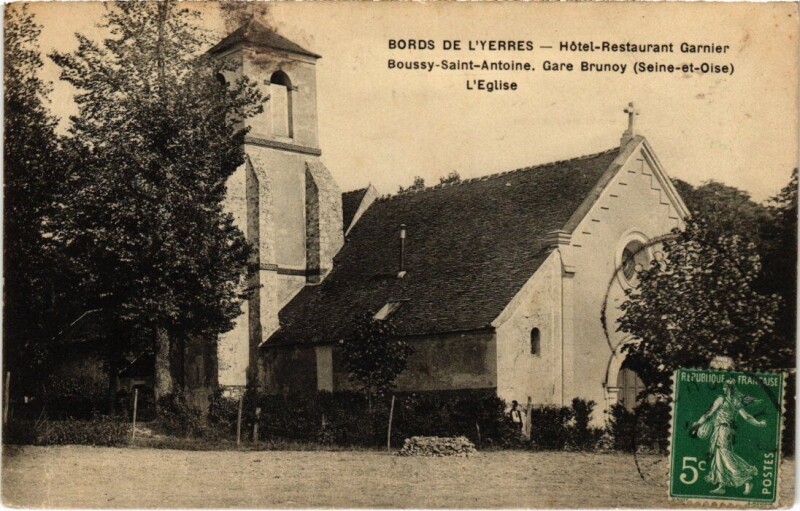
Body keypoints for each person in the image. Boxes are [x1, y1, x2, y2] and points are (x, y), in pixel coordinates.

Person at [690, 378, 767, 495]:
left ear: (726, 388)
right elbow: (747, 417)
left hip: (722, 430)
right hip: (728, 431)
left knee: (725, 456)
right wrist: (759, 424)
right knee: (719, 456)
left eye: (726, 387)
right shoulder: (736, 401)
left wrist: (697, 424)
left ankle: (747, 480)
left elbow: (708, 414)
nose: (725, 388)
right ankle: (722, 485)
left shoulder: (721, 399)